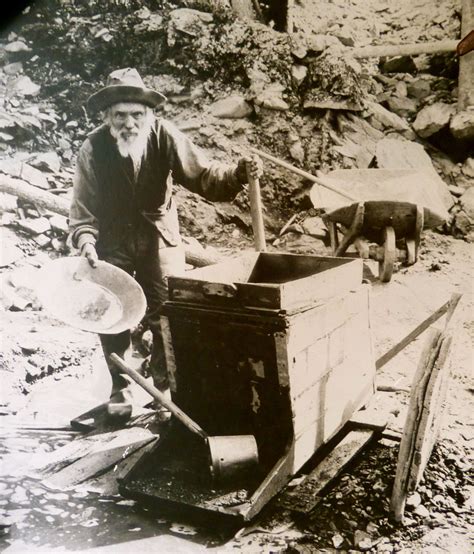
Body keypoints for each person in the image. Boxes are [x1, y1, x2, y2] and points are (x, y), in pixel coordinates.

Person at [69, 67, 263, 419]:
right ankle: (122, 389)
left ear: (149, 114)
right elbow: (83, 207)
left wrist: (236, 173)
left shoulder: (165, 137)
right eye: (121, 115)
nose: (129, 123)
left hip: (159, 234)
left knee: (166, 312)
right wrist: (86, 242)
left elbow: (204, 176)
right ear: (108, 116)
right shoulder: (93, 148)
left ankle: (163, 390)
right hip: (113, 238)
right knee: (111, 313)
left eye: (137, 114)